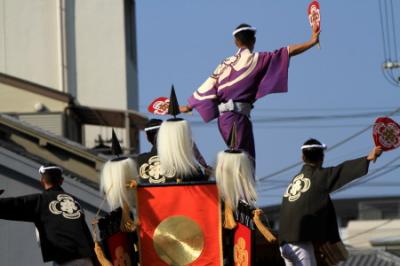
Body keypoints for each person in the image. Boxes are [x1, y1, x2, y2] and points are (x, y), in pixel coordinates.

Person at [180, 23, 320, 163]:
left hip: (227, 119)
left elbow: (208, 85)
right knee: (243, 161)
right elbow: (288, 51)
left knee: (244, 160)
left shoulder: (225, 63)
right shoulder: (257, 59)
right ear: (254, 40)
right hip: (236, 119)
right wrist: (312, 41)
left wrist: (189, 106)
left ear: (236, 42)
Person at [278, 139, 383, 266]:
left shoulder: (295, 180)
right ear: (322, 157)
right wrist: (368, 158)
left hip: (284, 244)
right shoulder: (319, 176)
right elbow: (342, 171)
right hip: (300, 244)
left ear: (302, 157)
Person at [0, 164, 96, 265]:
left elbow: (15, 204)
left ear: (42, 181)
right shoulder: (75, 202)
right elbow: (86, 233)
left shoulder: (41, 201)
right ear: (61, 181)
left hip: (65, 259)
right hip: (87, 260)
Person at [138, 118, 211, 183]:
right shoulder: (184, 164)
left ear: (147, 137)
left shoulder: (139, 161)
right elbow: (199, 188)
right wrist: (206, 176)